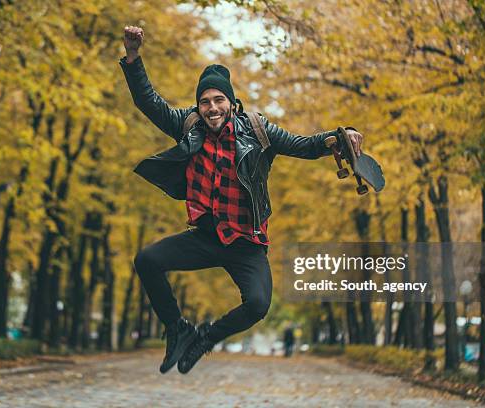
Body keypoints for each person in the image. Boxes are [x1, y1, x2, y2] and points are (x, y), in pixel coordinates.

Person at [120, 26, 364, 374]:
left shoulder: (258, 130)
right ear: (199, 106)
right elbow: (148, 101)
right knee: (146, 260)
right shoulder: (187, 125)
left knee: (258, 304)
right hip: (205, 236)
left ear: (232, 104)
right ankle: (178, 329)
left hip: (246, 243)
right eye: (205, 101)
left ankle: (204, 338)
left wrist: (338, 137)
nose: (212, 108)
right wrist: (133, 56)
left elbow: (304, 145)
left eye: (219, 100)